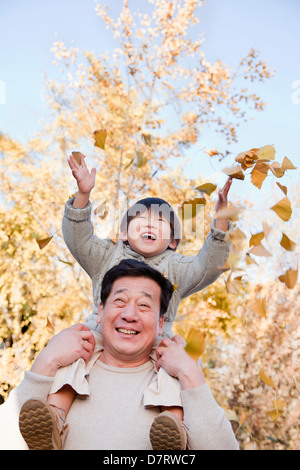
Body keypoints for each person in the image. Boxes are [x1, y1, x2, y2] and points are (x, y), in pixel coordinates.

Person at [21, 152, 233, 450]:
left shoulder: (175, 267)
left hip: (157, 344)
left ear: (173, 240)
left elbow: (206, 268)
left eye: (160, 223)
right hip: (96, 335)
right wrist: (83, 195)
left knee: (171, 372)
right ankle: (54, 417)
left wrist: (220, 228)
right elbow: (78, 238)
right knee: (73, 361)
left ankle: (172, 427)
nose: (150, 225)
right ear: (123, 233)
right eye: (140, 221)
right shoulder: (107, 256)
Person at [1, 260, 239, 450]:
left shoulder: (176, 380)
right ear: (101, 311)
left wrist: (190, 373)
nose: (130, 314)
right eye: (120, 300)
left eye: (144, 306)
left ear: (160, 323)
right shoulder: (69, 365)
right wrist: (46, 359)